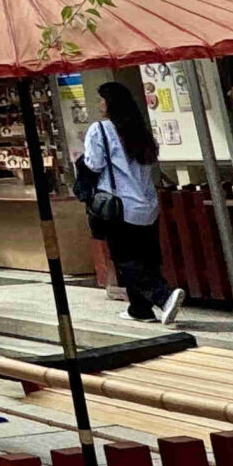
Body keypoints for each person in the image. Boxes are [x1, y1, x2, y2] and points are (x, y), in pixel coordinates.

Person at [85, 81, 182, 325]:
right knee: (146, 256)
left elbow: (93, 164)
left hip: (119, 206)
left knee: (125, 259)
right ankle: (139, 309)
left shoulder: (100, 130)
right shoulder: (141, 131)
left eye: (102, 100)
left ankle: (164, 296)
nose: (99, 105)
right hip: (147, 203)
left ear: (110, 103)